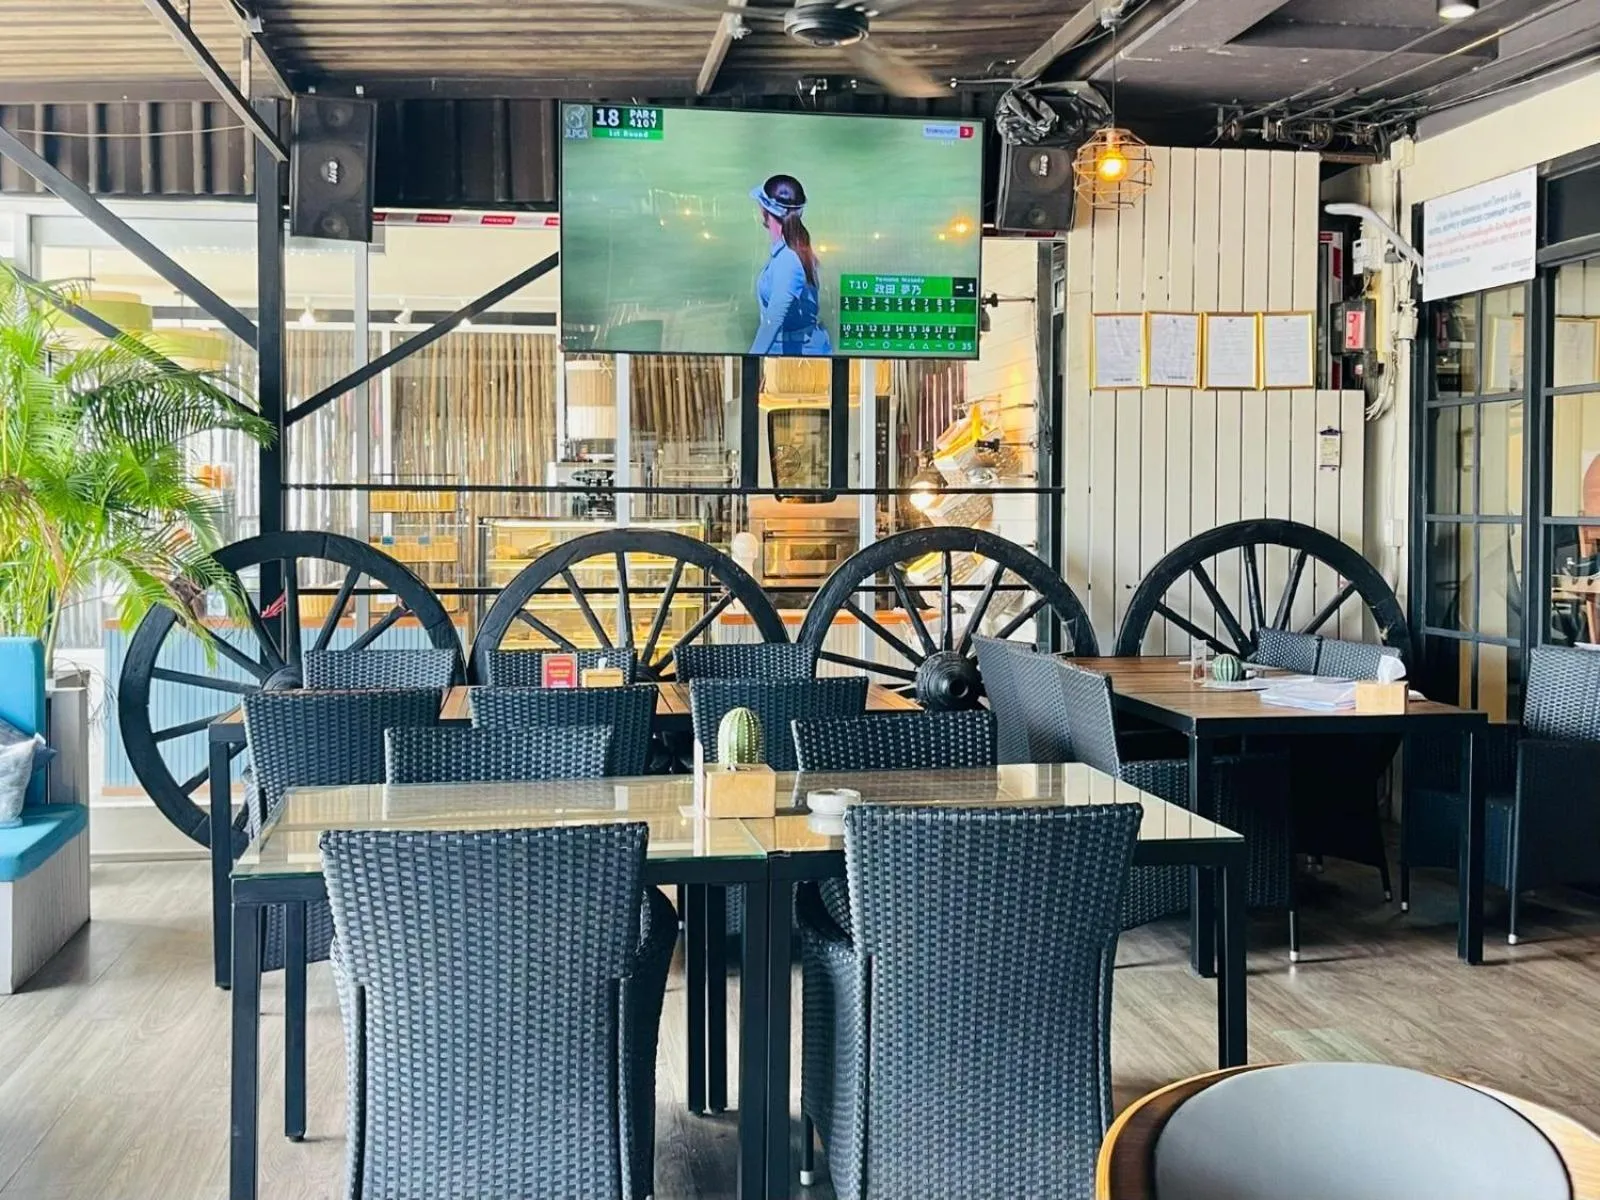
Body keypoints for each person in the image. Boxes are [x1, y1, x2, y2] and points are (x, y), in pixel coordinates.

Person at [749, 174, 832, 356]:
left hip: (794, 359)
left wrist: (749, 362)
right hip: (798, 354)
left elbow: (773, 321)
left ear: (765, 210)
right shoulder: (794, 251)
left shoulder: (788, 259)